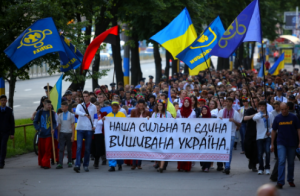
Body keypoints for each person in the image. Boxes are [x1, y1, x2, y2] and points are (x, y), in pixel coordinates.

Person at [271, 102, 300, 189]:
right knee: (281, 161)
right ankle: (280, 182)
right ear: (280, 109)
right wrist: (272, 143)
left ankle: (290, 179)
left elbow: (298, 129)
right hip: (281, 142)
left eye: (285, 109)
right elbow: (274, 131)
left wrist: (299, 142)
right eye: (282, 109)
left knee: (291, 162)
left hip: (292, 143)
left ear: (288, 108)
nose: (284, 111)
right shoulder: (277, 118)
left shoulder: (293, 117)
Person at [74, 91, 97, 173]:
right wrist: (85, 114)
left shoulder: (93, 106)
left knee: (87, 149)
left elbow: (95, 117)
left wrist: (94, 125)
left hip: (89, 129)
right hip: (80, 128)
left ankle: (86, 165)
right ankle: (77, 165)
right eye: (84, 96)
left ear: (89, 97)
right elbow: (77, 111)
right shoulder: (80, 105)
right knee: (79, 147)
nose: (85, 98)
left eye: (87, 96)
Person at [218, 97, 242, 174]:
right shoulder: (221, 112)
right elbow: (217, 123)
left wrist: (233, 120)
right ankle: (226, 164)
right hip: (222, 134)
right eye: (227, 101)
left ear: (232, 103)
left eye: (229, 102)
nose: (228, 103)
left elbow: (239, 124)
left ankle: (227, 167)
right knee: (223, 150)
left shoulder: (235, 113)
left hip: (231, 133)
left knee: (229, 150)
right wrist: (220, 120)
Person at [148, 100, 172, 173]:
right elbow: (151, 124)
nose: (160, 107)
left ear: (164, 106)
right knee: (157, 151)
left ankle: (161, 167)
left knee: (163, 150)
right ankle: (159, 165)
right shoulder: (154, 114)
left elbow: (171, 123)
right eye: (158, 105)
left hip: (165, 135)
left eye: (161, 105)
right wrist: (148, 119)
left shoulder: (168, 114)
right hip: (156, 135)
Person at [103, 101, 127, 172]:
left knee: (120, 150)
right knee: (111, 150)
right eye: (113, 108)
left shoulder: (122, 114)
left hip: (120, 135)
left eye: (116, 108)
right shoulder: (108, 115)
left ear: (118, 108)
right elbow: (105, 123)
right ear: (111, 108)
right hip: (111, 136)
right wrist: (103, 119)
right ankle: (112, 166)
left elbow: (126, 123)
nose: (115, 109)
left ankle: (120, 164)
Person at [33, 99, 57, 169]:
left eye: (50, 105)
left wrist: (53, 128)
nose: (50, 106)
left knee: (48, 149)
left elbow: (54, 122)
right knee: (42, 150)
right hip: (41, 134)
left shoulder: (51, 113)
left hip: (49, 134)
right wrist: (38, 128)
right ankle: (42, 162)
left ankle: (46, 163)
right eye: (48, 105)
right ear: (44, 105)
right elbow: (35, 122)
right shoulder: (39, 112)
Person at [253, 101, 274, 175]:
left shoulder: (270, 114)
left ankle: (267, 168)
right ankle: (261, 168)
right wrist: (263, 116)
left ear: (265, 106)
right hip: (259, 136)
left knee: (267, 152)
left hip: (267, 136)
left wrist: (270, 131)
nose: (262, 107)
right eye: (260, 106)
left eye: (263, 106)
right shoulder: (258, 114)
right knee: (260, 153)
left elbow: (273, 125)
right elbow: (254, 118)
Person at [176, 97, 196, 172]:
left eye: (188, 102)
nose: (186, 103)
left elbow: (194, 123)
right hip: (181, 133)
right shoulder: (179, 112)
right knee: (181, 149)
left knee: (188, 150)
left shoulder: (193, 112)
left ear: (190, 103)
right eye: (185, 102)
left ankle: (187, 167)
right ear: (183, 103)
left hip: (189, 134)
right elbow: (177, 121)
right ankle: (180, 166)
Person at [130, 99, 151, 170]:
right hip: (135, 131)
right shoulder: (133, 111)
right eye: (140, 105)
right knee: (134, 148)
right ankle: (133, 164)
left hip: (143, 132)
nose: (141, 106)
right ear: (138, 105)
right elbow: (131, 121)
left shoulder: (147, 112)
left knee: (141, 148)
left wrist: (148, 119)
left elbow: (150, 122)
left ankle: (139, 164)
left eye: (142, 105)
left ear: (144, 105)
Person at [56, 102, 75, 169]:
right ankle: (60, 163)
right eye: (61, 107)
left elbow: (73, 125)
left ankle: (69, 161)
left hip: (69, 133)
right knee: (61, 149)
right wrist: (58, 136)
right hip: (62, 133)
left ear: (67, 107)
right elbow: (59, 126)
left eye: (63, 107)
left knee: (69, 149)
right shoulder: (60, 115)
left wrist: (73, 135)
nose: (62, 108)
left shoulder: (71, 115)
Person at [0, 95, 15, 169]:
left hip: (6, 132)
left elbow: (12, 122)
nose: (3, 102)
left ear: (6, 101)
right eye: (2, 100)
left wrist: (12, 133)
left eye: (4, 100)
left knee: (3, 147)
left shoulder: (9, 110)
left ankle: (1, 162)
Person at [93, 102, 106, 168]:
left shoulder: (103, 115)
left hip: (99, 134)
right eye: (95, 108)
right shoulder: (91, 114)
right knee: (93, 149)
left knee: (98, 149)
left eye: (98, 108)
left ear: (100, 108)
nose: (97, 109)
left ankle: (96, 163)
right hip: (92, 134)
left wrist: (103, 119)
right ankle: (96, 160)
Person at [199, 105, 212, 172]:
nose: (204, 111)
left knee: (208, 152)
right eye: (203, 109)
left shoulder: (212, 117)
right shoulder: (200, 117)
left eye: (205, 109)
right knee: (202, 151)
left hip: (209, 137)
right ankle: (203, 165)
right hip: (201, 137)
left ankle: (207, 166)